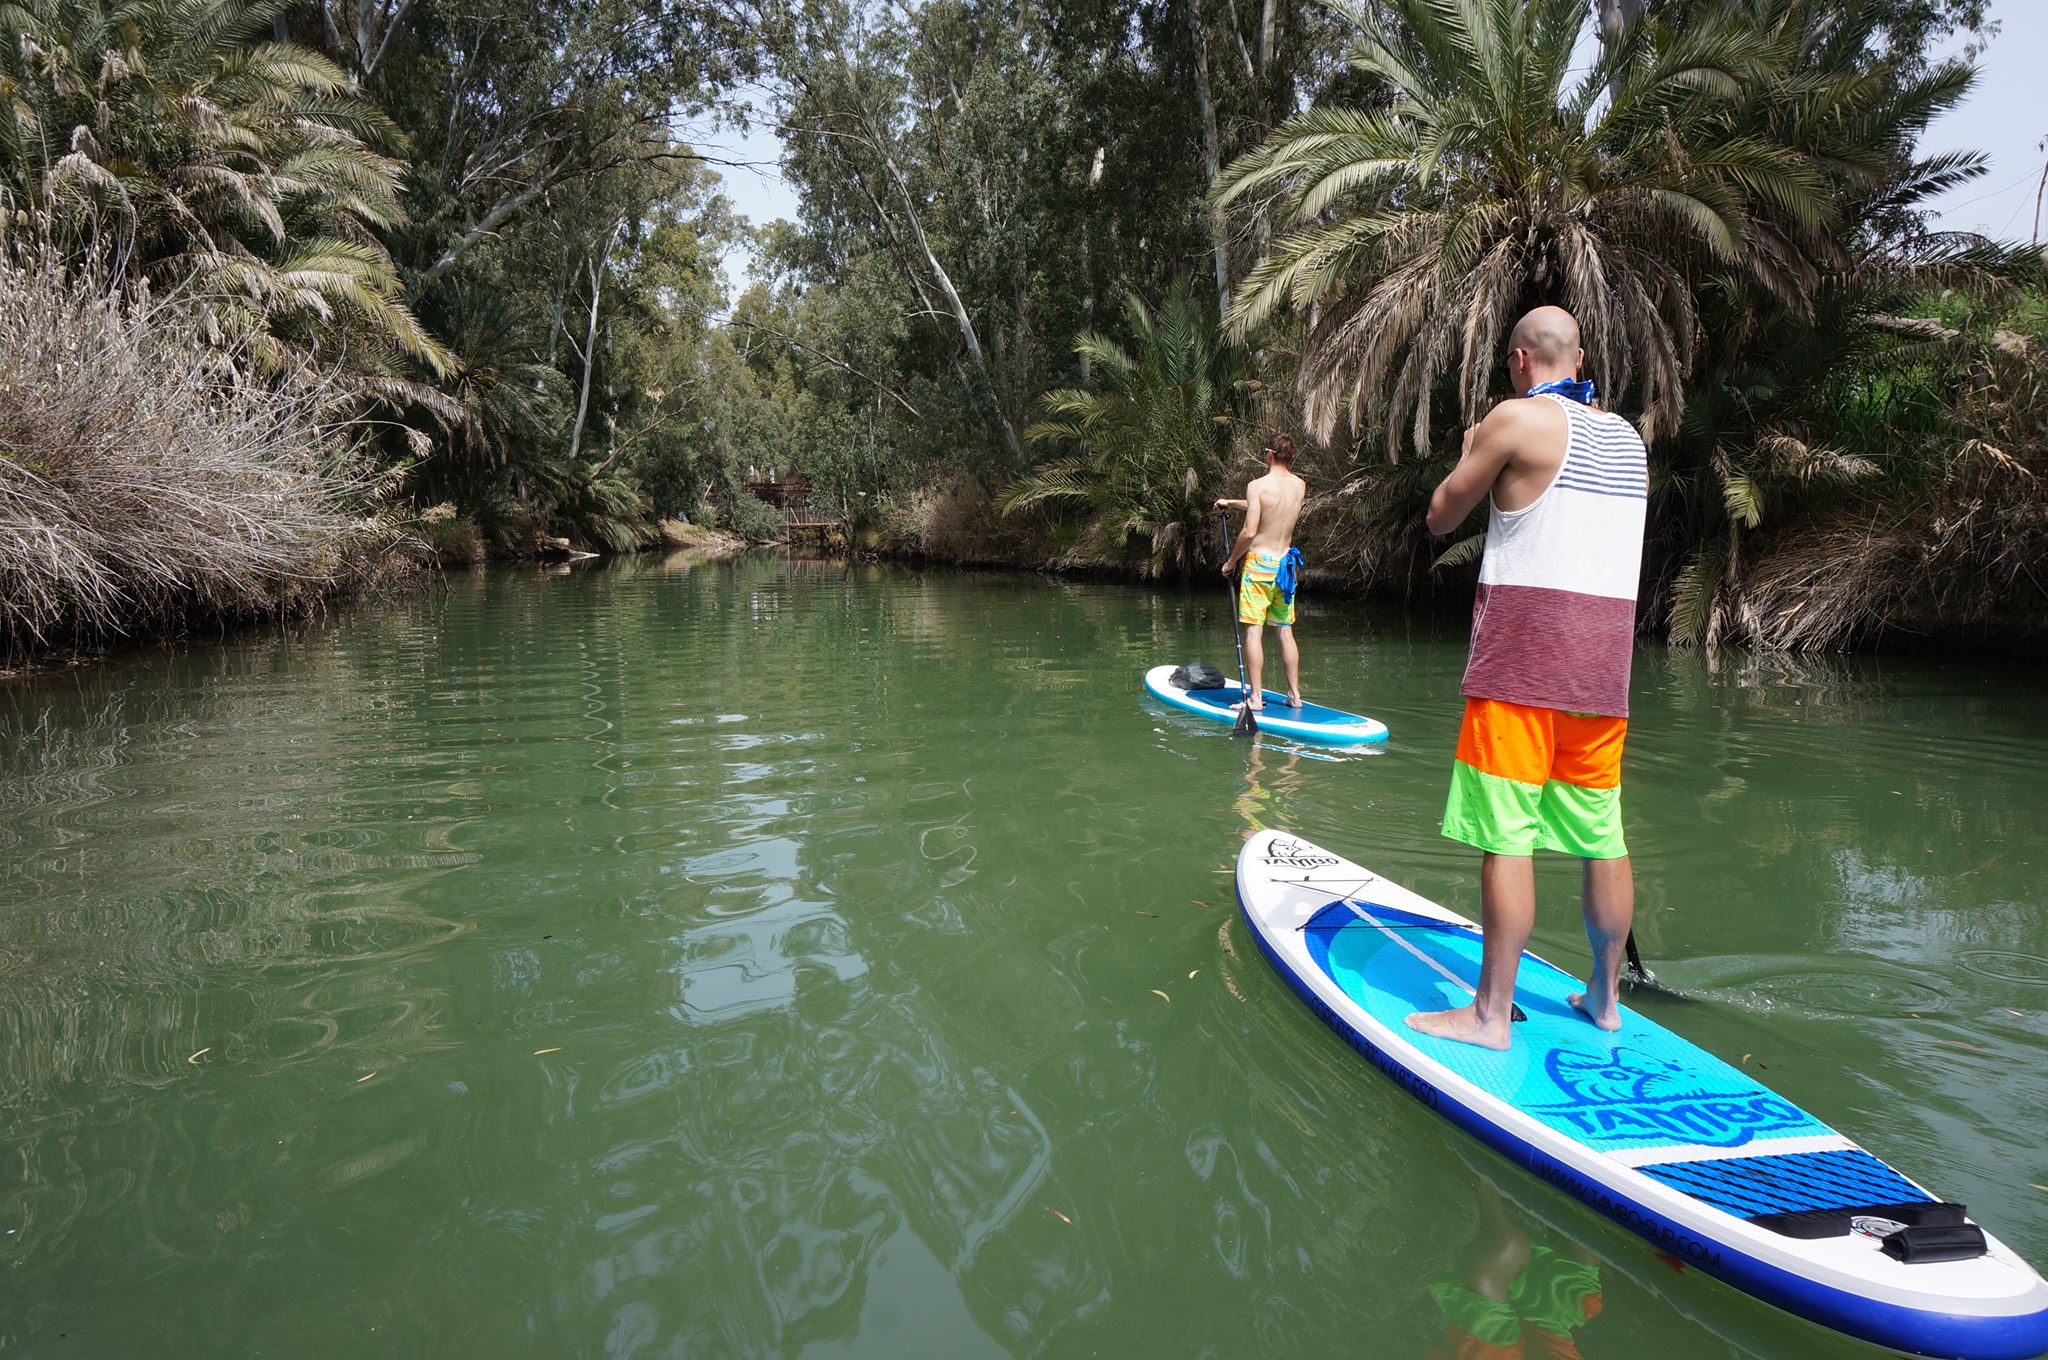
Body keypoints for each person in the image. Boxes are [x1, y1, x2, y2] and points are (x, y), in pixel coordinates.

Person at [1407, 306, 1648, 1052]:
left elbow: (1440, 516)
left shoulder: (1514, 421)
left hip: (1521, 668)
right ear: (1581, 358)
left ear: (1519, 360)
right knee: (1602, 834)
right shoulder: (1629, 439)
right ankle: (1605, 998)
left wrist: (1473, 448)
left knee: (1506, 833)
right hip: (1602, 672)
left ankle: (1489, 1015)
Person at [1215, 435, 1307, 709]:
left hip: (1259, 567)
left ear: (1269, 454)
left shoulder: (1257, 486)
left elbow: (1249, 531)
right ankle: (1295, 696)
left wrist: (1231, 562)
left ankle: (1255, 698)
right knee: (1285, 631)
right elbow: (1271, 505)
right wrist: (1232, 503)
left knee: (1254, 632)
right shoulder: (1299, 486)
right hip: (1285, 566)